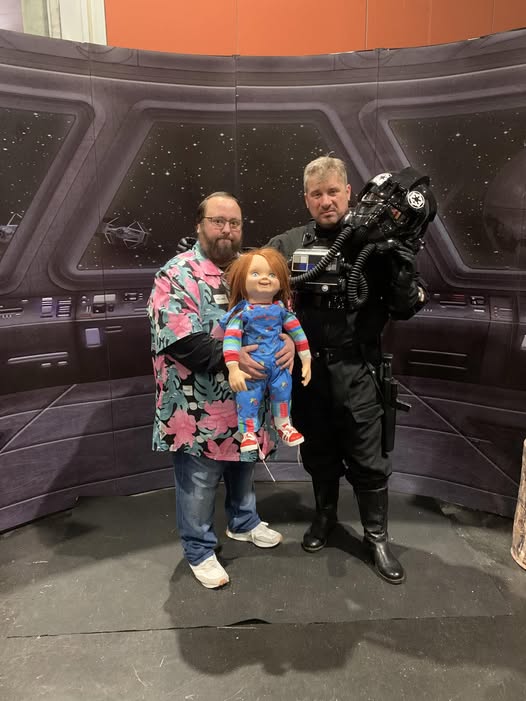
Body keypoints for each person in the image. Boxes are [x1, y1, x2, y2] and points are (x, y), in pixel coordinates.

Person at [267, 156, 436, 585]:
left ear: (348, 193)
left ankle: (376, 537)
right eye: (316, 194)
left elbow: (405, 307)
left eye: (333, 192)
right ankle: (325, 518)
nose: (326, 201)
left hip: (357, 369)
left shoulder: (376, 243)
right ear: (306, 199)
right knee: (318, 451)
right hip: (308, 373)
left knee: (368, 458)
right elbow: (258, 289)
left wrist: (401, 265)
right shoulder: (288, 243)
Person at [147, 192, 293, 590]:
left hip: (245, 403)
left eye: (234, 223)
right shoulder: (176, 274)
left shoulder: (252, 269)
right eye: (218, 221)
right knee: (199, 482)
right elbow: (178, 339)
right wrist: (234, 358)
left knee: (244, 466)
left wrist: (287, 342)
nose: (227, 230)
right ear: (199, 225)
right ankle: (199, 549)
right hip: (197, 408)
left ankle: (243, 522)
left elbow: (280, 316)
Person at [220, 247, 312, 454]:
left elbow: (298, 334)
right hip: (253, 366)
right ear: (241, 280)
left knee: (283, 392)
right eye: (255, 273)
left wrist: (306, 360)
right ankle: (248, 432)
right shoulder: (242, 313)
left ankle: (283, 424)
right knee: (247, 397)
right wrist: (233, 368)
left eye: (272, 274)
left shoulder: (281, 311)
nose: (264, 279)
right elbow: (231, 340)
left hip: (279, 364)